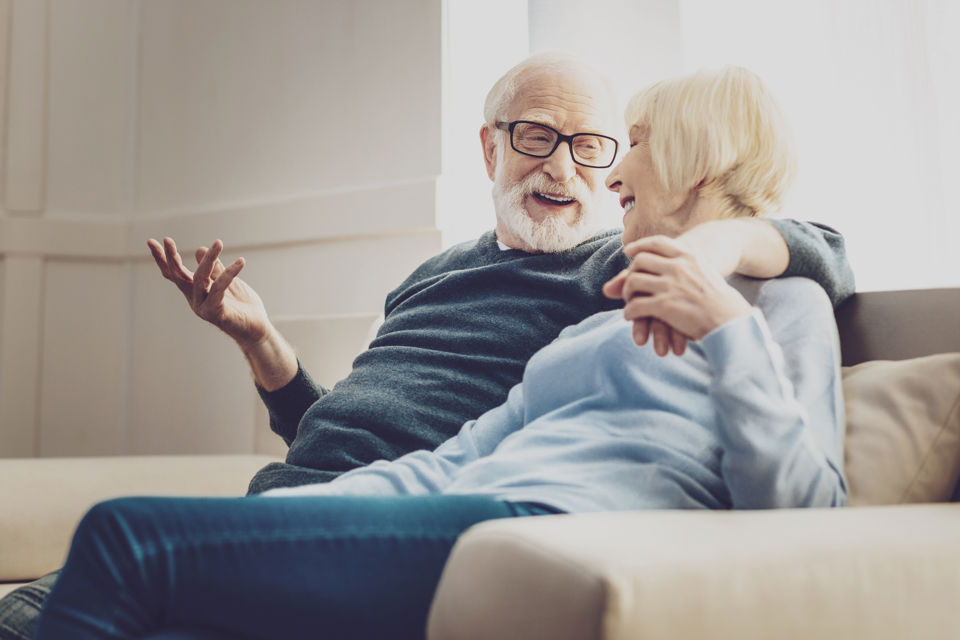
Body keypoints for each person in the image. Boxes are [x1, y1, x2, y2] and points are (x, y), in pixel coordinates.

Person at [0, 52, 853, 640]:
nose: (595, 168)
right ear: (490, 147)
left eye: (620, 144)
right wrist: (271, 433)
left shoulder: (677, 282)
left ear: (701, 161)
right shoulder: (552, 306)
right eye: (538, 138)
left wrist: (724, 280)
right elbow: (449, 457)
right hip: (401, 503)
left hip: (528, 531)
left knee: (121, 541)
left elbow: (805, 498)